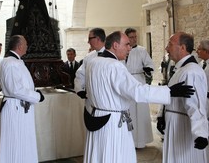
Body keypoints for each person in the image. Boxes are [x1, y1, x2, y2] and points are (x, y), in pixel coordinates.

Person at [83, 31, 195, 163]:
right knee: (115, 155)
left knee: (100, 154)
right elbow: (137, 91)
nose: (129, 48)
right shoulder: (115, 66)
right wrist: (169, 91)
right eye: (127, 44)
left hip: (97, 116)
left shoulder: (93, 62)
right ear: (115, 45)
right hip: (112, 124)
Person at [160, 32, 209, 163]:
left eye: (170, 44)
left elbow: (196, 104)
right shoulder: (182, 69)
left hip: (183, 127)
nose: (166, 48)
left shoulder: (191, 71)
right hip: (175, 123)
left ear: (182, 47)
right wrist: (162, 115)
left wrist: (200, 133)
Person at [0, 35, 44, 163]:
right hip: (15, 108)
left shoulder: (15, 61)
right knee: (15, 141)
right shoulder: (11, 63)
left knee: (21, 141)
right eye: (26, 44)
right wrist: (37, 96)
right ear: (19, 46)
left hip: (18, 107)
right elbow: (16, 89)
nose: (27, 46)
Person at [124, 27, 154, 148]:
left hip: (139, 81)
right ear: (126, 38)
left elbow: (150, 64)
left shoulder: (142, 50)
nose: (134, 39)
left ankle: (140, 141)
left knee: (140, 112)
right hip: (126, 83)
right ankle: (128, 141)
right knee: (129, 111)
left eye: (135, 36)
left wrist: (148, 69)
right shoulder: (123, 50)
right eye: (131, 37)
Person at [74, 28, 106, 100]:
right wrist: (79, 89)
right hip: (90, 100)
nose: (88, 42)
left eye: (90, 38)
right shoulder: (89, 56)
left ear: (97, 39)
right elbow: (81, 74)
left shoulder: (112, 56)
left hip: (106, 100)